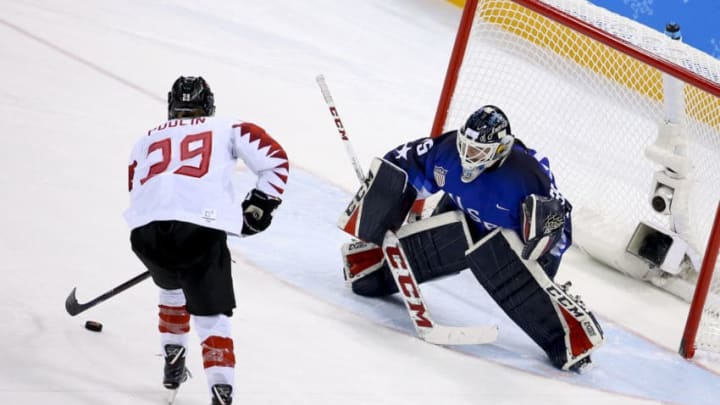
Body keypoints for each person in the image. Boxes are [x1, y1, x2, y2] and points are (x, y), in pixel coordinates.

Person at [338, 105, 603, 372]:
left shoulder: (526, 176)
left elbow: (557, 225)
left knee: (494, 258)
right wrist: (382, 197)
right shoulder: (448, 150)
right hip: (465, 216)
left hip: (513, 241)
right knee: (367, 281)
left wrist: (542, 248)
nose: (467, 156)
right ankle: (374, 267)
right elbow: (406, 163)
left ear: (500, 149)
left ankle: (568, 334)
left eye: (477, 151)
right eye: (466, 146)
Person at [124, 76, 289, 405]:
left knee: (171, 287)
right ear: (209, 106)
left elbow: (135, 187)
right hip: (198, 230)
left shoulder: (144, 139)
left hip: (144, 233)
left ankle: (173, 358)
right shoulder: (228, 127)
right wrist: (259, 206)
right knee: (211, 314)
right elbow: (276, 161)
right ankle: (220, 388)